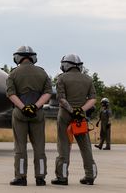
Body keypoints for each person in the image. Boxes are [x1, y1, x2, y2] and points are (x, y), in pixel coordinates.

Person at [6, 46, 52, 186]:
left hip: (20, 113)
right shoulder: (42, 73)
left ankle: (21, 177)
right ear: (33, 57)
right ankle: (41, 177)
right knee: (39, 147)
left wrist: (23, 107)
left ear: (18, 58)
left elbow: (11, 94)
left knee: (20, 147)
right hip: (37, 114)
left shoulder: (13, 74)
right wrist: (35, 106)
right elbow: (48, 93)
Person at [51, 54, 98, 186]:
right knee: (85, 147)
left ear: (66, 64)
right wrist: (81, 110)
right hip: (81, 117)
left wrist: (72, 110)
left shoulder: (62, 78)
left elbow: (61, 98)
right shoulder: (88, 79)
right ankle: (90, 176)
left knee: (64, 145)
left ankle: (62, 177)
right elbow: (93, 99)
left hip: (65, 115)